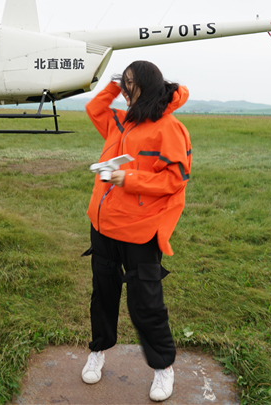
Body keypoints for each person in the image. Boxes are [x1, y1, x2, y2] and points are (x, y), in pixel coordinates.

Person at [80, 61, 192, 402]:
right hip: (103, 225)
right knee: (103, 294)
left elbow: (175, 178)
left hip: (140, 231)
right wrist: (114, 83)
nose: (126, 91)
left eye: (131, 84)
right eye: (124, 84)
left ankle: (163, 368)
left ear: (149, 85)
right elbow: (94, 107)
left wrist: (126, 179)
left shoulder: (168, 128)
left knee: (145, 302)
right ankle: (99, 350)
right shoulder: (121, 121)